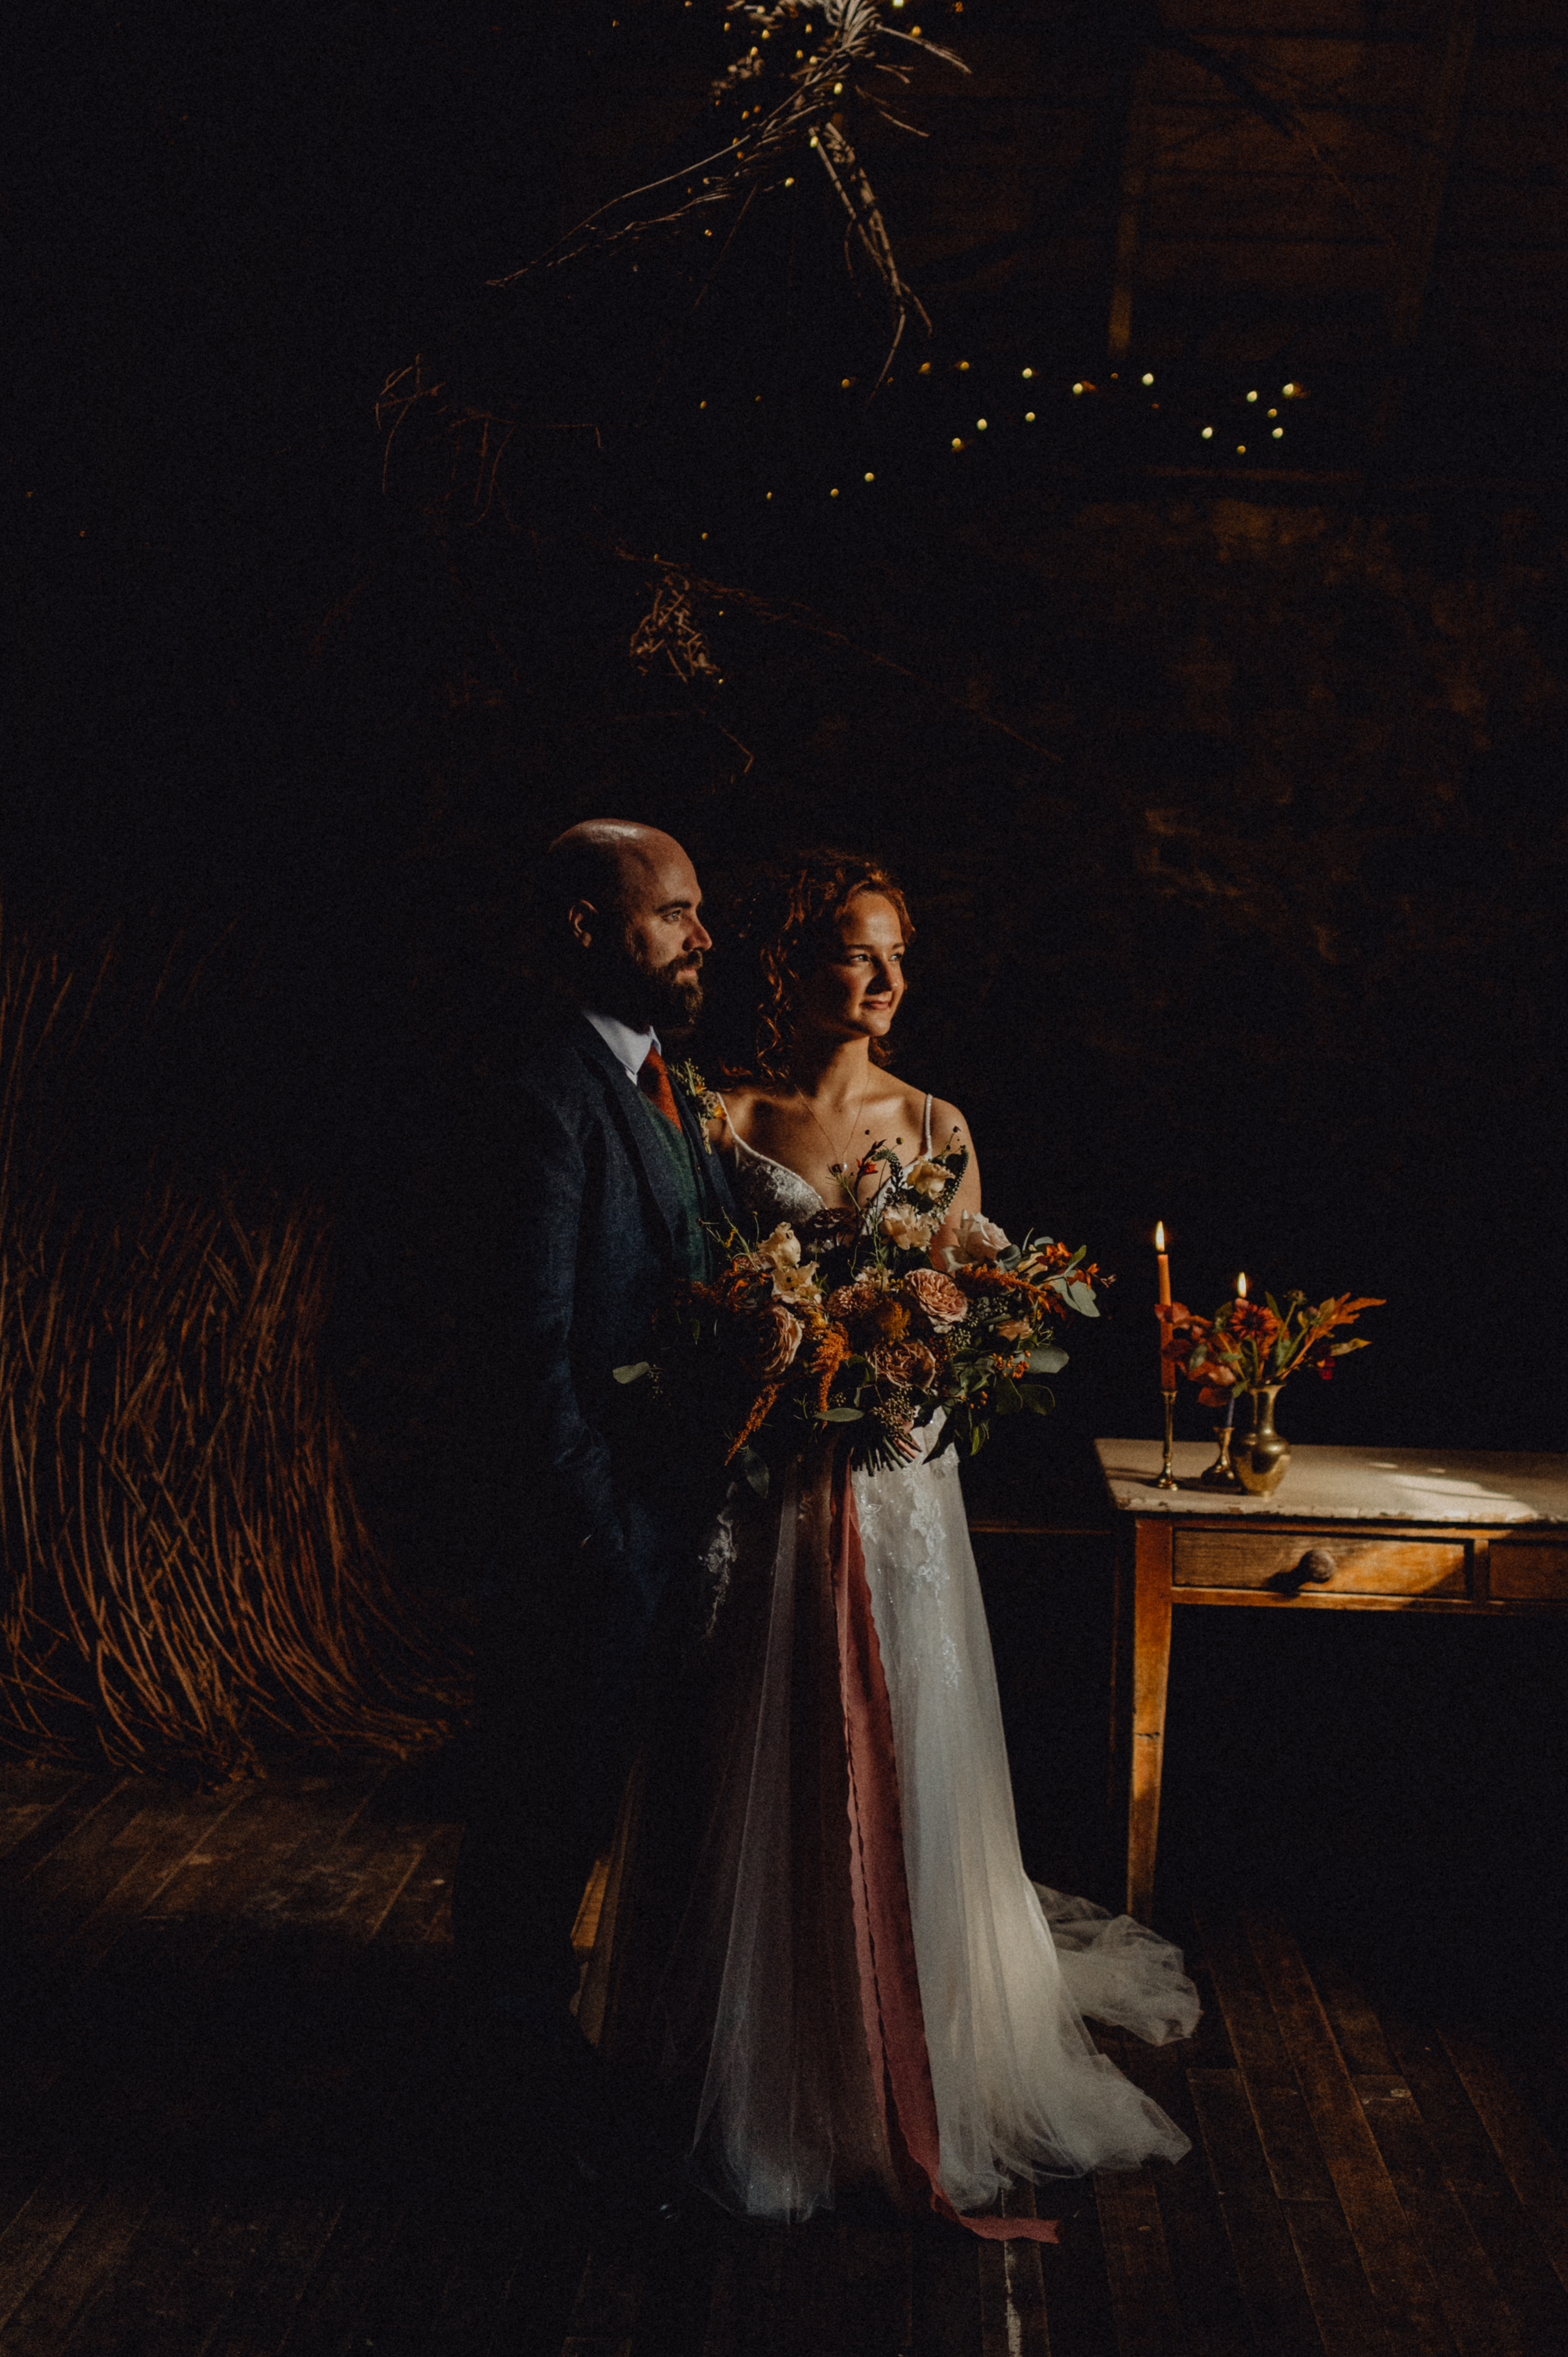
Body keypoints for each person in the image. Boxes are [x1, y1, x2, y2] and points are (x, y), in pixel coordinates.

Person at [577, 849, 1199, 2237]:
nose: (887, 981)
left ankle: (899, 2060)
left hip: (897, 1487)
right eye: (859, 954)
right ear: (794, 963)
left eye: (898, 957)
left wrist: (915, 1356)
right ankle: (750, 2065)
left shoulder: (938, 1123)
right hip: (767, 1483)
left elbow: (977, 1312)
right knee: (755, 1752)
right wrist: (766, 1351)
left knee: (904, 1748)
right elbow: (679, 1300)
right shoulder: (721, 1115)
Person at [452, 819, 739, 2194]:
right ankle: (497, 2128)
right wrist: (607, 1538)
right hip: (578, 1544)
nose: (701, 937)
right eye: (671, 914)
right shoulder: (543, 1094)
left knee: (579, 1817)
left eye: (696, 914)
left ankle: (537, 2068)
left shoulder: (663, 1084)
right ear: (584, 925)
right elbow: (526, 1359)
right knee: (532, 1818)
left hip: (655, 1529)